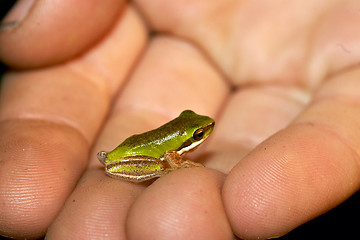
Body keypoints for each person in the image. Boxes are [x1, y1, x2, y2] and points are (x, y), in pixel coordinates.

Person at [1, 1, 359, 239]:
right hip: (125, 161)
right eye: (199, 132)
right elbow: (172, 157)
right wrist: (175, 165)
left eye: (198, 131)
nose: (205, 131)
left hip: (127, 148)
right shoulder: (179, 149)